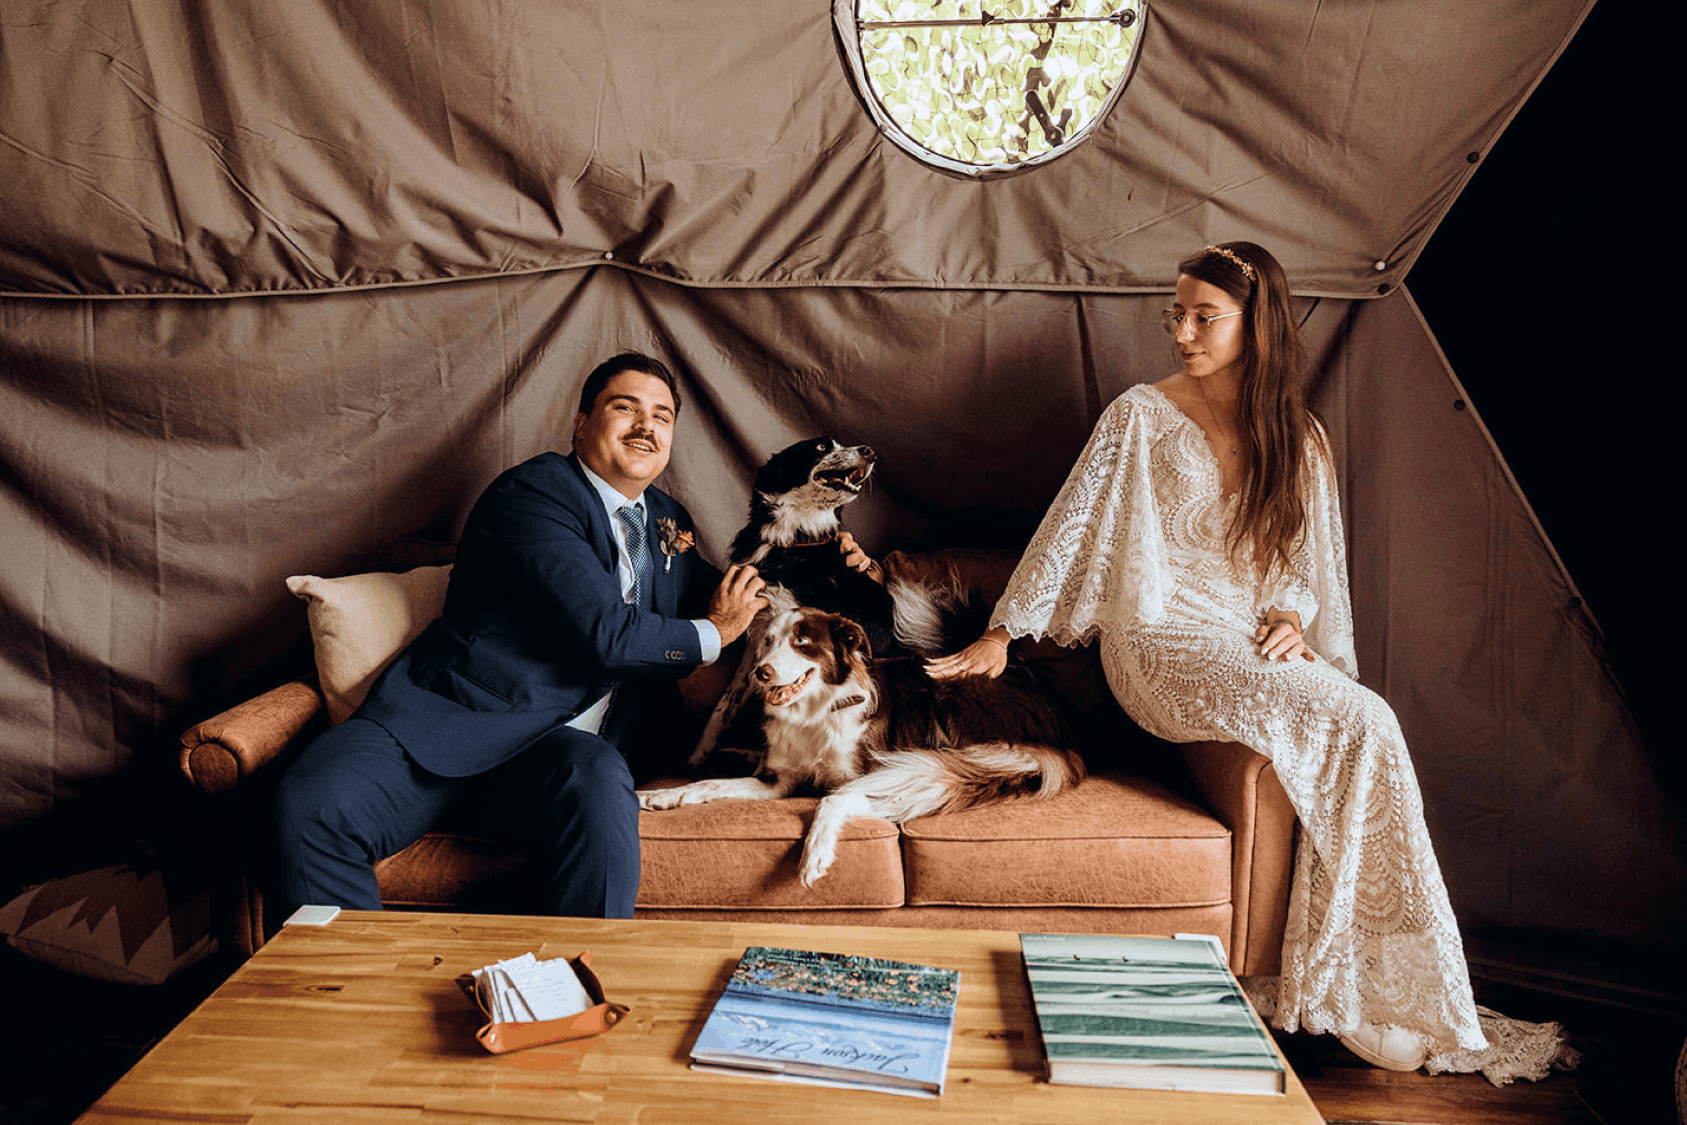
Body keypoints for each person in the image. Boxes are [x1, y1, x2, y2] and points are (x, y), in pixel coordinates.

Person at [926, 243, 1493, 1072]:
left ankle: (1358, 977)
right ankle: (1346, 982)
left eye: (1203, 317)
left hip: (1244, 635)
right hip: (1157, 641)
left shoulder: (1298, 435)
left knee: (1364, 720)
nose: (1181, 332)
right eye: (1176, 314)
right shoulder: (1138, 415)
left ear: (1255, 326)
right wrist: (1003, 631)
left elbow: (1307, 564)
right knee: (1354, 713)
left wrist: (1296, 622)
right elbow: (1071, 524)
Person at [271, 352, 769, 922]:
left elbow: (742, 587)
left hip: (555, 755)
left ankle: (575, 990)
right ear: (581, 424)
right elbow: (606, 634)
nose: (646, 426)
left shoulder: (665, 519)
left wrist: (858, 580)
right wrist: (715, 632)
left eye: (662, 416)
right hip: (452, 721)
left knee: (601, 780)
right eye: (624, 408)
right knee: (309, 806)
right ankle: (350, 999)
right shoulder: (534, 494)